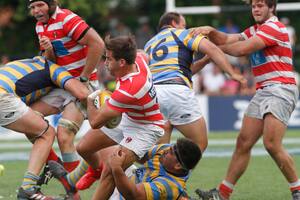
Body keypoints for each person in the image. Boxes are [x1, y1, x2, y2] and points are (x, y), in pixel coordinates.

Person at [192, 0, 300, 199]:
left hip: (281, 89)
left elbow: (241, 49)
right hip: (264, 91)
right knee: (243, 142)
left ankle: (297, 190)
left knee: (271, 144)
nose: (256, 9)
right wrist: (210, 31)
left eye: (260, 5)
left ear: (272, 8)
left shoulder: (274, 27)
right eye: (254, 6)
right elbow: (227, 38)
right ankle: (223, 194)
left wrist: (212, 47)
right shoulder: (255, 30)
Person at [52, 35, 164, 199]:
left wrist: (90, 99)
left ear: (122, 62)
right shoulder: (137, 59)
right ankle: (98, 170)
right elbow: (142, 54)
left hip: (145, 129)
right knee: (84, 147)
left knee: (111, 171)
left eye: (109, 59)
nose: (105, 63)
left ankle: (147, 170)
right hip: (130, 116)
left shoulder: (130, 88)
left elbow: (95, 122)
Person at [144, 12, 247, 152]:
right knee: (199, 144)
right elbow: (212, 48)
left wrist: (204, 61)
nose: (185, 27)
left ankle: (160, 172)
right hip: (176, 91)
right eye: (183, 24)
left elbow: (184, 70)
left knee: (159, 149)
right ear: (174, 23)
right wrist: (232, 73)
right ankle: (174, 171)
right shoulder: (182, 34)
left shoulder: (149, 44)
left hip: (153, 95)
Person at [28, 0, 105, 173]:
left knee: (64, 135)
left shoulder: (67, 19)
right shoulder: (39, 26)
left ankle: (74, 190)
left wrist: (84, 78)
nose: (36, 11)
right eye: (32, 7)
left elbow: (98, 44)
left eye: (40, 5)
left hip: (82, 85)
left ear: (51, 3)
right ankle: (57, 167)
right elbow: (52, 61)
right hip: (61, 85)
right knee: (26, 119)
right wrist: (48, 50)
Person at [0, 56, 89, 199]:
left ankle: (51, 166)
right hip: (3, 98)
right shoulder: (55, 69)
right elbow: (82, 93)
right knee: (47, 133)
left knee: (34, 127)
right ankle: (28, 188)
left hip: (5, 93)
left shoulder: (28, 63)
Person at [48, 137, 201, 200]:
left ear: (178, 165)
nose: (167, 150)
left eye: (172, 152)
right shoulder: (165, 151)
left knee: (112, 164)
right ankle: (92, 172)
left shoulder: (168, 186)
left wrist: (116, 168)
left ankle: (72, 185)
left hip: (128, 195)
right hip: (133, 178)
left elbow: (132, 195)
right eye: (172, 147)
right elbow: (140, 156)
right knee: (111, 149)